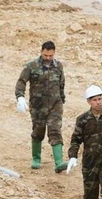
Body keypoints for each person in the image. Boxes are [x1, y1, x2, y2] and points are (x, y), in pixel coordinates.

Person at [14, 40, 67, 172]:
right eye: (45, 55)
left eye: (50, 56)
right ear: (41, 52)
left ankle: (59, 162)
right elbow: (21, 82)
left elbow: (61, 84)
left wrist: (62, 98)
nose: (48, 58)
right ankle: (36, 159)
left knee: (55, 131)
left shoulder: (58, 66)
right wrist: (20, 96)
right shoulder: (31, 66)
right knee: (38, 131)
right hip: (38, 106)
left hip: (55, 105)